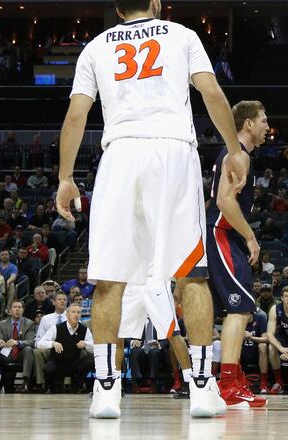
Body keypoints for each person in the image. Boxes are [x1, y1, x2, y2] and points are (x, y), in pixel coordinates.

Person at [56, 0, 243, 418]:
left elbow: (75, 116)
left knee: (109, 278)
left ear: (119, 10)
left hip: (119, 154)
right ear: (156, 4)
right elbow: (211, 93)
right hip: (172, 151)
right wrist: (234, 150)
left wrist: (65, 178)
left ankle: (106, 389)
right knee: (191, 273)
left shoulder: (96, 46)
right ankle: (200, 386)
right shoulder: (182, 35)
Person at [205, 100, 269, 409]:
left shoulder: (240, 156)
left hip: (225, 236)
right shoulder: (238, 155)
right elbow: (224, 202)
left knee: (240, 310)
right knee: (240, 308)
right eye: (263, 120)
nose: (267, 126)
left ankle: (232, 380)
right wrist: (250, 236)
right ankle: (228, 385)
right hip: (222, 234)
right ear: (248, 124)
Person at [36, 303, 94, 393]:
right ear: (67, 314)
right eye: (73, 312)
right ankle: (50, 387)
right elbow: (39, 343)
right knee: (48, 368)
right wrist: (53, 343)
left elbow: (94, 348)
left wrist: (86, 343)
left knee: (88, 362)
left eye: (78, 312)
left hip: (74, 363)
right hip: (58, 362)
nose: (76, 314)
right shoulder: (56, 328)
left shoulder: (84, 330)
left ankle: (77, 387)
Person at [0, 300, 35, 393]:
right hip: (6, 354)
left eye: (19, 307)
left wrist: (17, 342)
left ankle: (25, 382)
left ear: (23, 310)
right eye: (14, 307)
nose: (17, 309)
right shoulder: (3, 324)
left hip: (21, 354)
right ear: (10, 311)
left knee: (28, 349)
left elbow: (31, 341)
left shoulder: (29, 323)